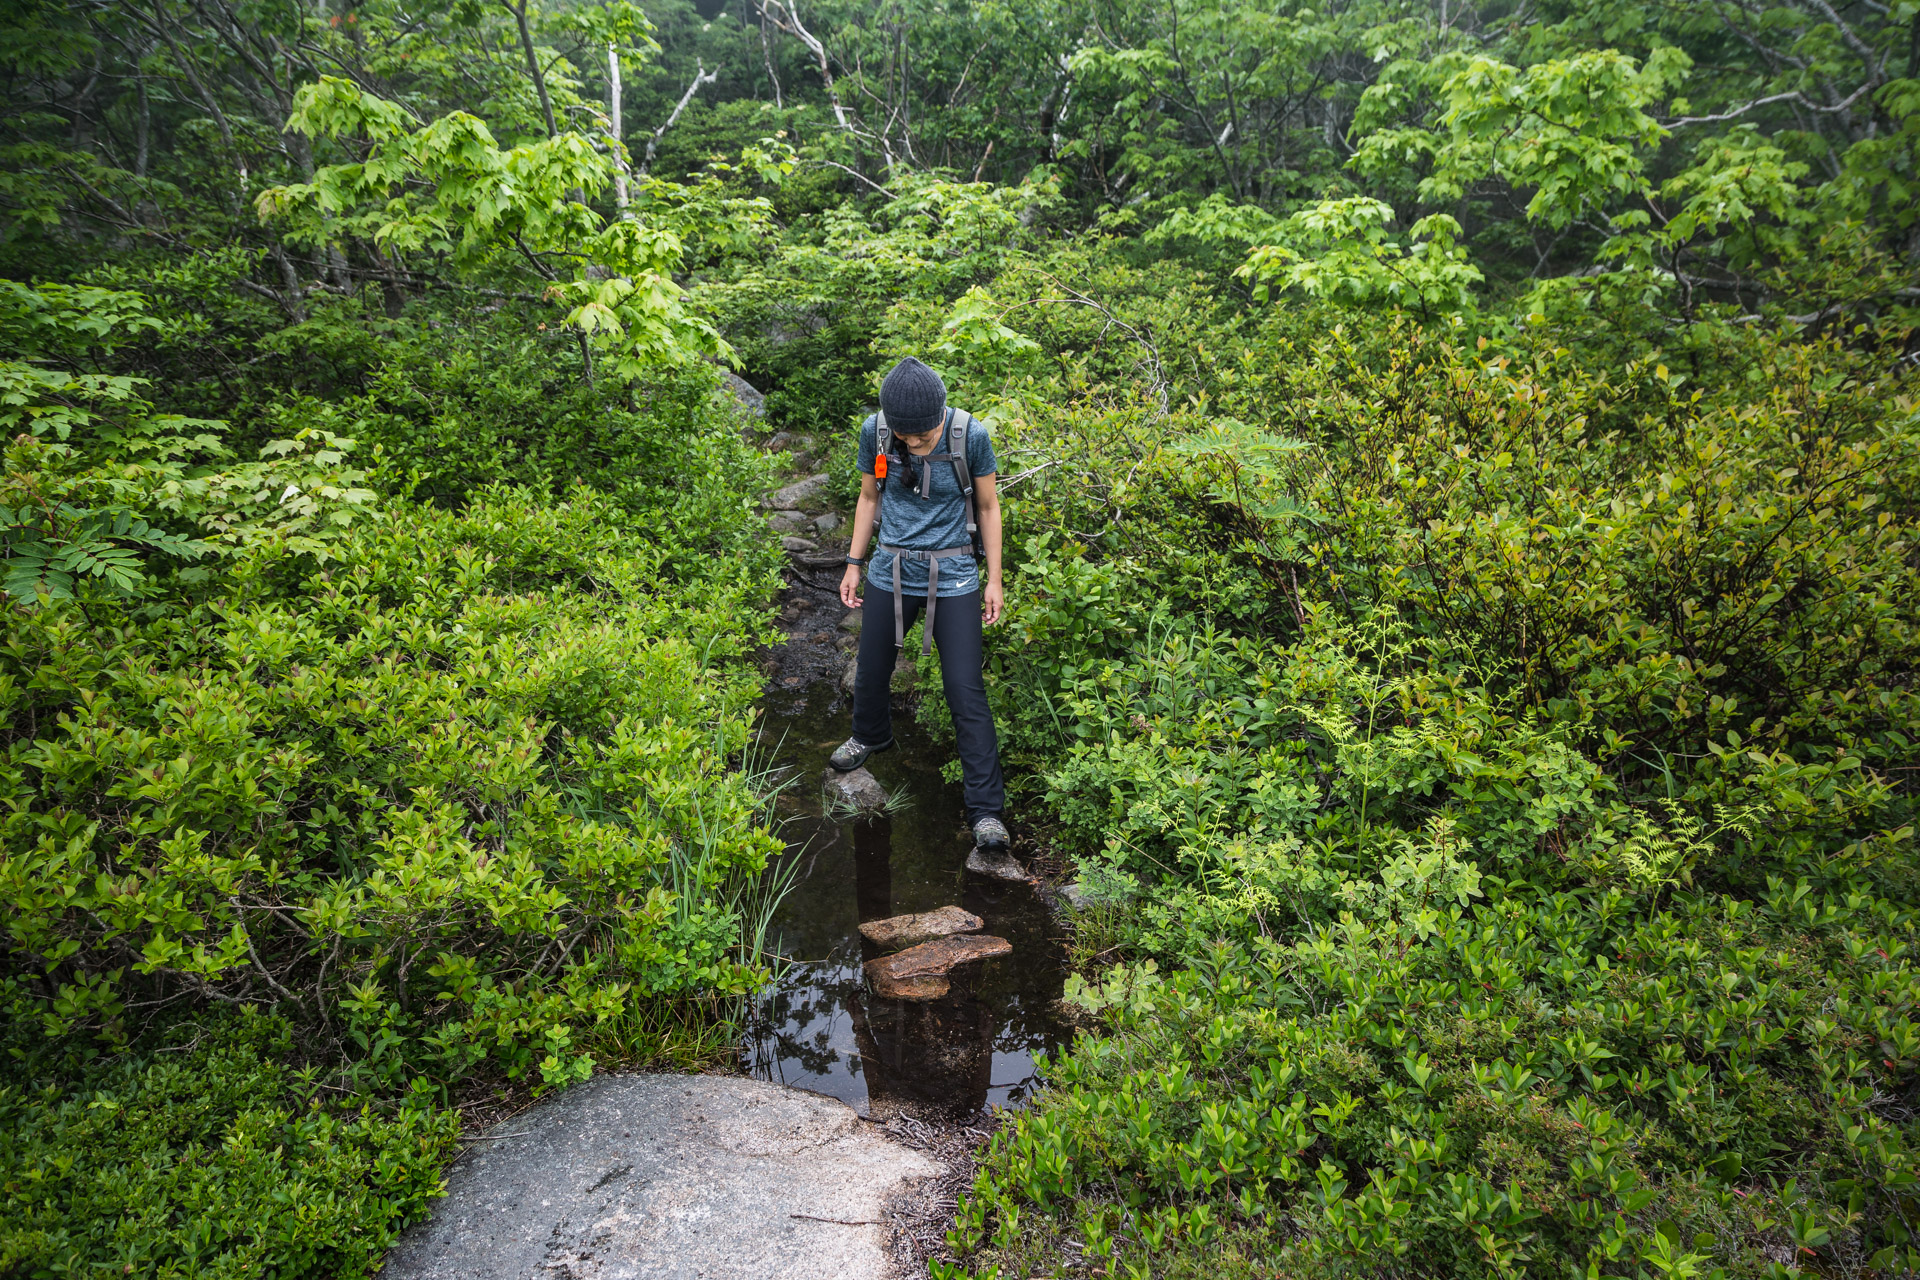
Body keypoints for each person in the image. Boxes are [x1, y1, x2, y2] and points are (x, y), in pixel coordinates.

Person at [831, 357, 1009, 852]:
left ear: (941, 413)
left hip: (952, 574)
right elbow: (870, 498)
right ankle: (870, 736)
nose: (914, 442)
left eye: (923, 434)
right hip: (890, 566)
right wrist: (853, 562)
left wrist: (994, 579)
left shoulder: (970, 435)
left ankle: (987, 812)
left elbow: (990, 507)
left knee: (964, 687)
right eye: (905, 436)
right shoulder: (877, 431)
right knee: (870, 669)